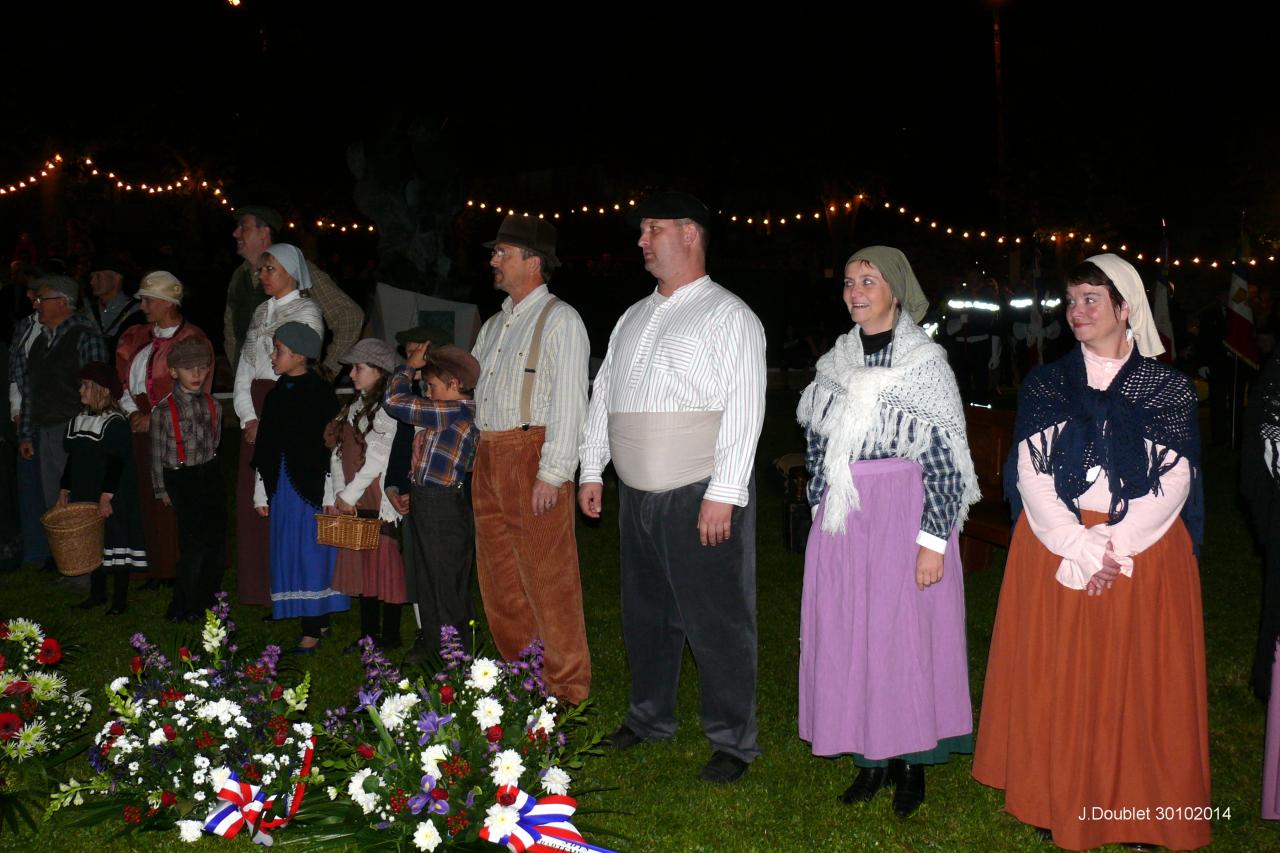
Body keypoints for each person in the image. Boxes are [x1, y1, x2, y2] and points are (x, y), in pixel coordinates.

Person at [972, 254, 1209, 850]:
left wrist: (1113, 547)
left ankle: (1138, 812)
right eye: (1072, 300)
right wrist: (1077, 544)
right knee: (1064, 677)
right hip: (1057, 545)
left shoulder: (1166, 387)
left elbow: (1175, 479)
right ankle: (1059, 793)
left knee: (1136, 684)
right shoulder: (1047, 383)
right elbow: (1030, 472)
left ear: (1125, 309)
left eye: (1091, 300)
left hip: (1142, 550)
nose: (1077, 312)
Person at [578, 191, 766, 784]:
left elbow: (744, 408)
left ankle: (733, 739)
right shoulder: (632, 315)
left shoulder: (729, 315)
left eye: (651, 228)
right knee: (646, 615)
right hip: (637, 496)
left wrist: (725, 492)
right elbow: (605, 393)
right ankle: (650, 715)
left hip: (699, 488)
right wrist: (591, 467)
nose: (640, 239)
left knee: (717, 619)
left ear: (689, 233)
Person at [794, 246, 980, 816]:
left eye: (867, 282)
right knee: (853, 632)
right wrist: (823, 510)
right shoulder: (835, 365)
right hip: (846, 515)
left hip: (905, 512)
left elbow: (949, 459)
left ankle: (911, 765)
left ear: (895, 291)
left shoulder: (926, 367)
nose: (854, 292)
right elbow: (817, 446)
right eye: (848, 282)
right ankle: (870, 760)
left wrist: (932, 541)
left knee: (905, 638)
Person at [471, 215, 591, 704]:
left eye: (503, 252)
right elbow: (475, 392)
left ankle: (565, 689)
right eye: (495, 252)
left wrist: (554, 471)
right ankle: (523, 680)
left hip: (531, 454)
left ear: (533, 261)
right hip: (489, 453)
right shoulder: (496, 323)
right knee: (500, 579)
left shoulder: (561, 319)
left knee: (548, 577)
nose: (494, 260)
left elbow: (569, 401)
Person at [233, 244, 324, 608]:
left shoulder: (307, 311)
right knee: (253, 496)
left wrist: (268, 421)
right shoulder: (260, 311)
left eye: (270, 268)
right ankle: (258, 588)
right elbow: (245, 366)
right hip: (256, 402)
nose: (262, 275)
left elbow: (296, 365)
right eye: (261, 269)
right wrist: (247, 415)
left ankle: (292, 586)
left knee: (283, 493)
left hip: (285, 404)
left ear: (290, 271)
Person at [115, 271, 215, 589]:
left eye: (147, 299)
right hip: (140, 426)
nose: (142, 305)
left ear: (167, 302)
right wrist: (133, 413)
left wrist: (155, 418)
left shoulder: (192, 340)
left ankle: (179, 567)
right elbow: (122, 381)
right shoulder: (134, 337)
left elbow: (196, 390)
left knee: (176, 498)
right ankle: (156, 566)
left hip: (177, 430)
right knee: (146, 496)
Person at [251, 322, 346, 652]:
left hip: (312, 487)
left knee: (312, 552)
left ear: (300, 355)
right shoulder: (276, 395)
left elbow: (333, 447)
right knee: (291, 549)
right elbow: (266, 445)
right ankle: (312, 616)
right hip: (283, 486)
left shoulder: (320, 393)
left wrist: (334, 492)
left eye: (278, 350)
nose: (273, 356)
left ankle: (313, 625)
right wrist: (261, 491)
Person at [384, 343, 480, 665]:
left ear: (454, 384)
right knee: (427, 578)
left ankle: (458, 658)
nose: (428, 393)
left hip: (443, 506)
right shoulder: (447, 410)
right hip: (429, 499)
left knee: (445, 583)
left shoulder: (453, 410)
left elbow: (395, 401)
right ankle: (434, 647)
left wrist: (408, 368)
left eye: (433, 387)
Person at [326, 338, 407, 652]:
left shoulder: (387, 409)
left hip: (374, 496)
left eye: (359, 368)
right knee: (365, 564)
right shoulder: (354, 407)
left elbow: (377, 458)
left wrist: (351, 493)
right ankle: (369, 633)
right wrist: (339, 495)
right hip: (354, 495)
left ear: (380, 371)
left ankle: (389, 634)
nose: (351, 374)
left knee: (383, 562)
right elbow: (338, 453)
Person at [225, 206, 363, 380]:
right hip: (251, 391)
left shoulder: (297, 270)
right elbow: (231, 334)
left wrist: (325, 372)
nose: (235, 233)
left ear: (264, 232)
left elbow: (349, 317)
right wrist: (240, 376)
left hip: (291, 391)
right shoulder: (239, 276)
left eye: (243, 227)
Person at [18, 275, 109, 522]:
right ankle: (65, 555)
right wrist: (27, 433)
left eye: (41, 299)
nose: (36, 304)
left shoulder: (85, 337)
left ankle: (87, 555)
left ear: (62, 302)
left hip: (75, 431)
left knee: (80, 497)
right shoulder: (40, 342)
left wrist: (88, 433)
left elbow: (98, 391)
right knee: (53, 500)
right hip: (45, 430)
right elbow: (30, 389)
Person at [58, 362, 147, 613]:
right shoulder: (79, 420)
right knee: (93, 542)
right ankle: (97, 594)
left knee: (116, 540)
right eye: (81, 385)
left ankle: (120, 600)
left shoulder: (115, 423)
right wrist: (65, 489)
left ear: (105, 390)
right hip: (85, 493)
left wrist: (107, 497)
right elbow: (72, 460)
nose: (81, 391)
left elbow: (117, 463)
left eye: (87, 385)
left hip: (110, 494)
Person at [149, 338, 224, 623]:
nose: (196, 374)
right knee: (192, 546)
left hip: (210, 475)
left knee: (215, 545)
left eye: (202, 368)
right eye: (188, 368)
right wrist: (161, 488)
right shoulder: (164, 412)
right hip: (182, 478)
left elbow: (215, 441)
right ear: (173, 372)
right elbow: (156, 454)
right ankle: (183, 604)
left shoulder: (214, 405)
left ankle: (209, 602)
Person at [87, 263, 144, 351]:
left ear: (117, 278)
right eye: (91, 277)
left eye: (98, 276)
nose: (92, 282)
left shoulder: (137, 310)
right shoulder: (86, 310)